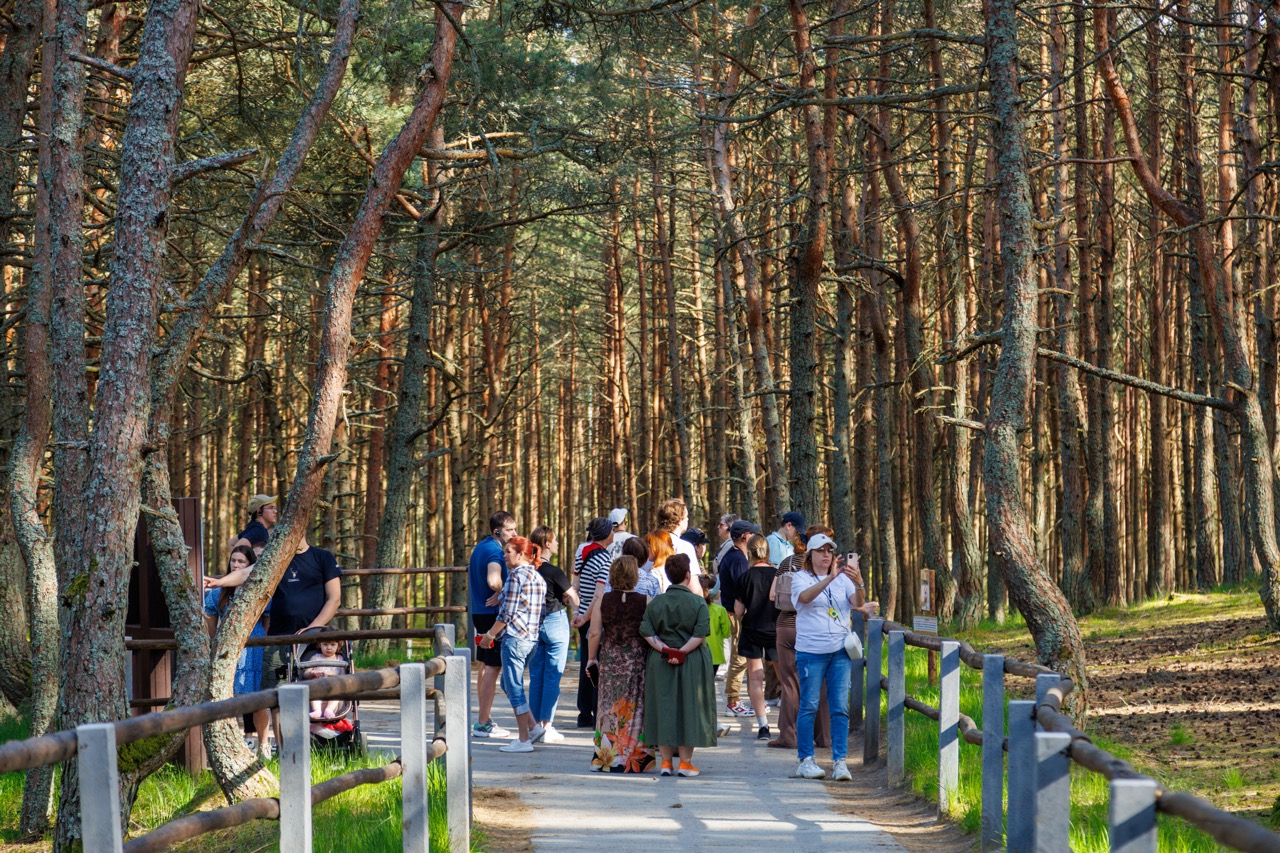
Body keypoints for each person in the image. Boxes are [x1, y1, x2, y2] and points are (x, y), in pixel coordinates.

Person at [790, 532, 876, 781]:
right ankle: (806, 760)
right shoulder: (800, 577)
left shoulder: (843, 579)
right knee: (809, 705)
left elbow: (857, 602)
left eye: (830, 551)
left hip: (840, 651)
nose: (826, 555)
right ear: (811, 555)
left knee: (840, 708)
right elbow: (804, 599)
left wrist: (858, 581)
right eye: (821, 551)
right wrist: (829, 579)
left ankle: (840, 762)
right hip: (810, 652)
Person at [641, 554, 717, 777]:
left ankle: (665, 762)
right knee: (689, 707)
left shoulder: (656, 603)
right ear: (687, 575)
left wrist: (665, 649)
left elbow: (647, 632)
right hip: (691, 660)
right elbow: (701, 633)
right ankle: (685, 762)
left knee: (663, 706)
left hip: (661, 659)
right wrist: (682, 652)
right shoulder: (698, 602)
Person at [478, 535, 548, 753]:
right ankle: (534, 727)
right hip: (531, 640)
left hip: (516, 639)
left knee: (514, 687)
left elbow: (506, 613)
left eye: (508, 551)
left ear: (521, 554)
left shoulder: (516, 577)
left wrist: (489, 635)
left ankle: (524, 739)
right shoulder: (538, 578)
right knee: (508, 685)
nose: (504, 555)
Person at [587, 555, 654, 773]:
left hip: (610, 657)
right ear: (634, 576)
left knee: (608, 705)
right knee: (635, 705)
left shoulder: (602, 601)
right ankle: (632, 757)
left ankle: (606, 757)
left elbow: (595, 632)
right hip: (635, 659)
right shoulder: (645, 600)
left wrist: (591, 659)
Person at [202, 545, 271, 754]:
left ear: (249, 564)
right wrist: (215, 642)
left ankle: (264, 744)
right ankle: (234, 743)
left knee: (258, 698)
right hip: (229, 646)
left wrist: (261, 639)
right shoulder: (220, 591)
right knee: (229, 695)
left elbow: (267, 619)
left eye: (241, 561)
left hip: (254, 646)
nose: (236, 564)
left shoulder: (258, 588)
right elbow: (211, 616)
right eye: (233, 560)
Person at [769, 526, 832, 750]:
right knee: (821, 682)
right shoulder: (827, 567)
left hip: (787, 626)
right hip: (815, 628)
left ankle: (788, 735)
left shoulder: (788, 562)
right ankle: (824, 737)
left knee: (790, 682)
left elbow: (773, 594)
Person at [469, 511, 517, 739]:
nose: (514, 534)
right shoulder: (495, 551)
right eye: (510, 530)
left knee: (484, 666)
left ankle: (483, 719)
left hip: (480, 613)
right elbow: (493, 579)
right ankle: (482, 723)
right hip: (491, 616)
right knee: (492, 669)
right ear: (497, 531)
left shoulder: (481, 547)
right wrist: (502, 592)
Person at [528, 526, 577, 743]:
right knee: (553, 676)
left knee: (536, 675)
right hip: (555, 622)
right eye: (555, 540)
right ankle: (547, 725)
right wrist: (577, 613)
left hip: (533, 624)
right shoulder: (554, 571)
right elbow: (572, 596)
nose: (557, 543)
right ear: (547, 544)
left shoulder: (528, 570)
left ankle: (534, 725)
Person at [571, 517, 615, 728]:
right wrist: (587, 617)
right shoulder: (606, 560)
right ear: (607, 535)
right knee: (596, 663)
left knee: (584, 664)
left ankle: (583, 713)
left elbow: (575, 586)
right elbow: (599, 595)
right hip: (595, 617)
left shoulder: (582, 553)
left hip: (582, 617)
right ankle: (597, 711)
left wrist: (577, 613)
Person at [737, 533, 780, 740]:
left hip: (752, 630)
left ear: (750, 552)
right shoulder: (778, 574)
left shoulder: (745, 577)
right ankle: (790, 723)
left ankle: (763, 725)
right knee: (785, 678)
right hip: (776, 631)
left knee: (755, 678)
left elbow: (738, 610)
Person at [718, 519, 759, 717]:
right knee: (739, 656)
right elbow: (743, 589)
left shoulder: (737, 557)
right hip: (735, 614)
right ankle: (732, 701)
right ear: (744, 536)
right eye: (752, 534)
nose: (755, 538)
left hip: (737, 613)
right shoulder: (737, 559)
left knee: (741, 656)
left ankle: (736, 699)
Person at [658, 498, 702, 593]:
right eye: (686, 517)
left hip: (651, 604)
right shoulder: (685, 547)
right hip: (675, 603)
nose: (687, 519)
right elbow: (695, 589)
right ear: (678, 520)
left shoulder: (649, 543)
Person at [305, 638, 346, 720]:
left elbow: (343, 676)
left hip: (334, 686)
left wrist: (334, 675)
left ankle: (329, 709)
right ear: (320, 644)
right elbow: (306, 674)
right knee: (313, 688)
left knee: (339, 689)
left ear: (338, 646)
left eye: (333, 645)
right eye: (325, 644)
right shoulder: (315, 657)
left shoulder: (340, 659)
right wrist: (312, 673)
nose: (329, 648)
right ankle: (317, 710)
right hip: (318, 685)